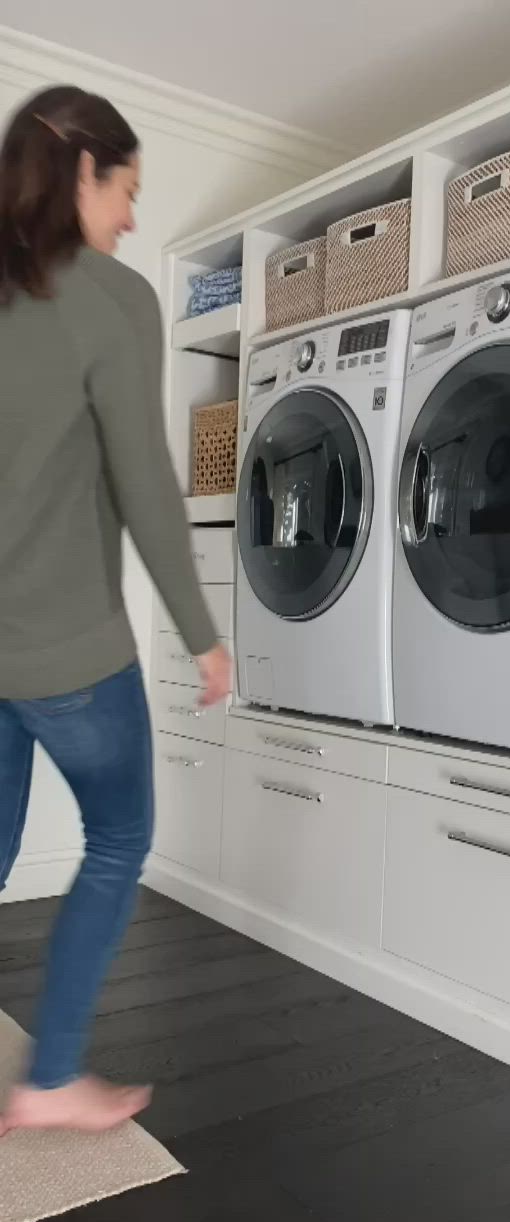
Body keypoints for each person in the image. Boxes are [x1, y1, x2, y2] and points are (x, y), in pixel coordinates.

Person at [0, 85, 232, 1133]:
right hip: (69, 652)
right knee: (117, 836)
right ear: (84, 171)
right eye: (128, 190)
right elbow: (145, 481)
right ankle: (49, 1077)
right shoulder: (113, 297)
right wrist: (203, 631)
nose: (134, 217)